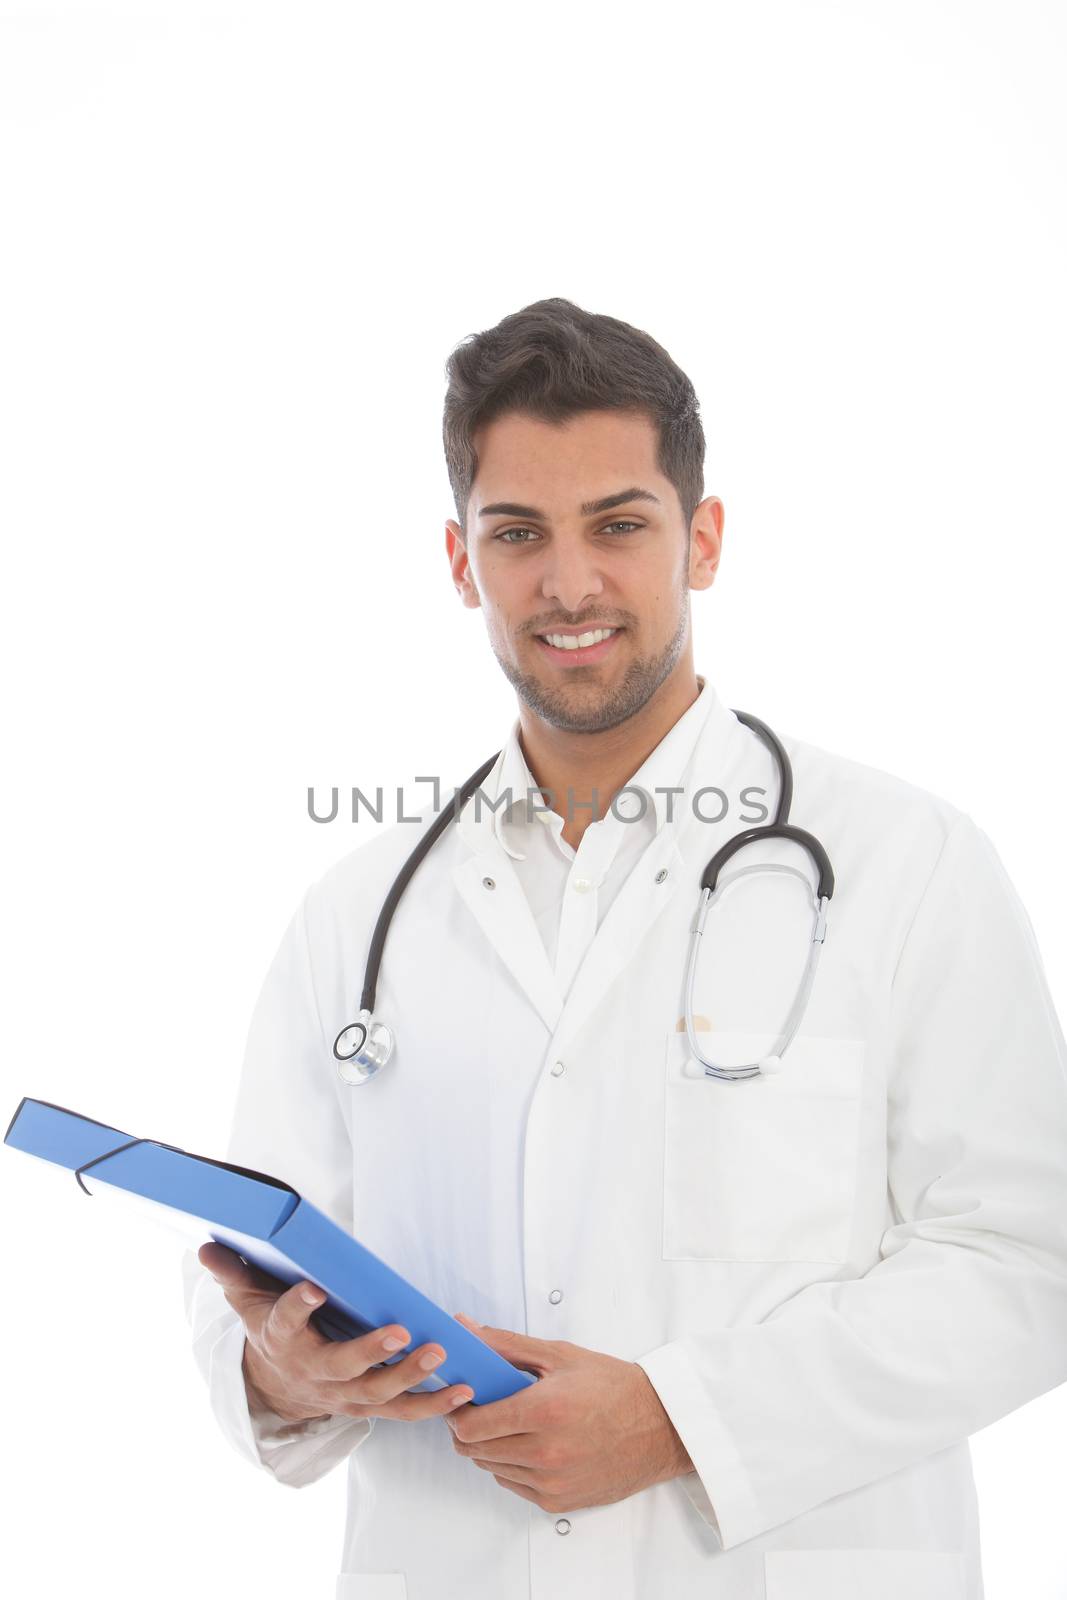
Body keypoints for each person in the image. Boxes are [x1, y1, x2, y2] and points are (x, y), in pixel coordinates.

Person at [183, 297, 1067, 1600]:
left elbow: (1027, 1262)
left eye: (619, 524)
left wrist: (679, 1420)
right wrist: (279, 1367)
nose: (570, 583)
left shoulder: (906, 864)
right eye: (518, 534)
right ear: (456, 558)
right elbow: (253, 1290)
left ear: (702, 539)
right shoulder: (355, 919)